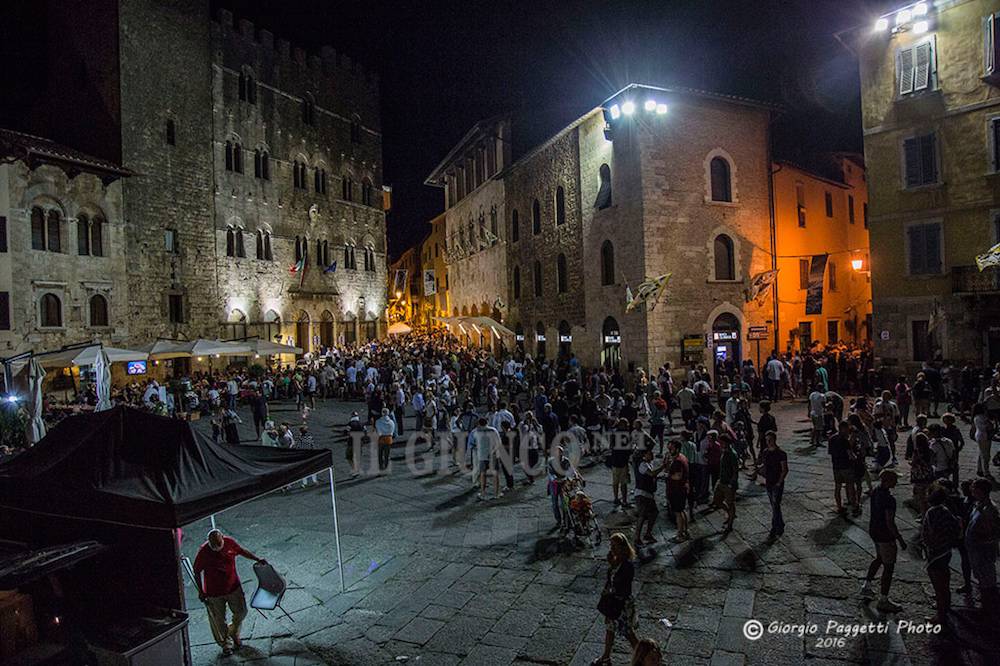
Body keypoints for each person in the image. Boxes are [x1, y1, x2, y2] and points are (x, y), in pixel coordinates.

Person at [192, 529, 266, 657]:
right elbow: (197, 571)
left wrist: (257, 559)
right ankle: (225, 643)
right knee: (218, 619)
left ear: (222, 538)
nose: (217, 548)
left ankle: (233, 631)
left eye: (219, 545)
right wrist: (201, 591)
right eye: (214, 546)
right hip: (213, 592)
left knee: (242, 611)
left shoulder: (229, 543)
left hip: (233, 586)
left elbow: (241, 551)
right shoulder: (203, 552)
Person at [861, 470, 907, 613]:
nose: (896, 482)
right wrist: (899, 538)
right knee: (889, 566)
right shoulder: (889, 499)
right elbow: (890, 521)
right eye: (894, 480)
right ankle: (883, 600)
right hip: (885, 535)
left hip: (874, 530)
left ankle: (866, 586)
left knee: (879, 558)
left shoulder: (875, 491)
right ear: (888, 481)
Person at [592, 533, 638, 666]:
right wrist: (611, 564)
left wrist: (613, 599)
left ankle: (644, 657)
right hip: (614, 603)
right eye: (611, 545)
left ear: (622, 547)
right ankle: (606, 657)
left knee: (628, 633)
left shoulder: (627, 565)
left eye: (614, 545)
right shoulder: (616, 560)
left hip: (621, 604)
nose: (611, 548)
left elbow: (623, 587)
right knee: (610, 630)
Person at [921, 484, 961, 627]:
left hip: (936, 552)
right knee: (945, 580)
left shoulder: (932, 512)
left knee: (939, 586)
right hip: (946, 550)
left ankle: (941, 615)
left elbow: (928, 533)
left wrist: (929, 545)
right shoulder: (947, 511)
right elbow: (956, 528)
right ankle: (946, 606)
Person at [965, 477, 1000, 614]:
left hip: (983, 550)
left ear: (980, 490)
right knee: (980, 577)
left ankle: (988, 608)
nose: (971, 490)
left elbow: (993, 532)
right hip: (976, 550)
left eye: (973, 488)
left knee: (986, 578)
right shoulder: (978, 504)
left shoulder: (989, 509)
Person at [634, 448, 667, 545]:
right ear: (644, 455)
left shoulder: (649, 464)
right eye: (649, 453)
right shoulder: (642, 465)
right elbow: (651, 473)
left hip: (648, 494)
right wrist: (663, 466)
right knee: (642, 516)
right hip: (642, 494)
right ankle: (637, 538)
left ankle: (648, 534)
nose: (652, 455)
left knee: (654, 512)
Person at [760, 431, 788, 540]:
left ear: (774, 439)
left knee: (776, 505)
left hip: (777, 483)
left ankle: (774, 528)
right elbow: (765, 466)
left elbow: (785, 469)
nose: (768, 442)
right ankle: (780, 525)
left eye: (770, 440)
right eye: (767, 440)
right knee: (774, 506)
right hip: (769, 482)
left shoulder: (781, 453)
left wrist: (779, 482)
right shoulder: (765, 452)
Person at [829, 420, 857, 516]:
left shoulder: (832, 438)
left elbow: (831, 452)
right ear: (843, 428)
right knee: (850, 486)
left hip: (836, 466)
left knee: (838, 487)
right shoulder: (844, 440)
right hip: (846, 466)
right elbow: (850, 455)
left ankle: (839, 506)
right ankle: (854, 506)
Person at [714, 435, 740, 532]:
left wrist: (731, 484)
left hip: (728, 484)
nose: (719, 443)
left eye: (721, 442)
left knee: (730, 503)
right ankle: (730, 514)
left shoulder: (732, 454)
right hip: (721, 481)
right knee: (717, 500)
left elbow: (735, 470)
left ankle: (730, 525)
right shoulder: (724, 451)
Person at [666, 440, 690, 541]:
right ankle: (685, 531)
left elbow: (678, 476)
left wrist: (668, 475)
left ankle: (680, 535)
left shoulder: (678, 461)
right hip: (681, 488)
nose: (669, 450)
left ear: (677, 449)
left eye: (671, 448)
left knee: (678, 512)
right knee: (682, 510)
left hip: (677, 489)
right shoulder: (682, 457)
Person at [374, 408, 397, 473]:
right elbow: (392, 431)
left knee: (380, 454)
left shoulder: (378, 421)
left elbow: (378, 431)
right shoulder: (391, 422)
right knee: (387, 454)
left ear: (382, 413)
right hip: (389, 438)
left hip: (381, 438)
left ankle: (381, 467)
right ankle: (386, 467)